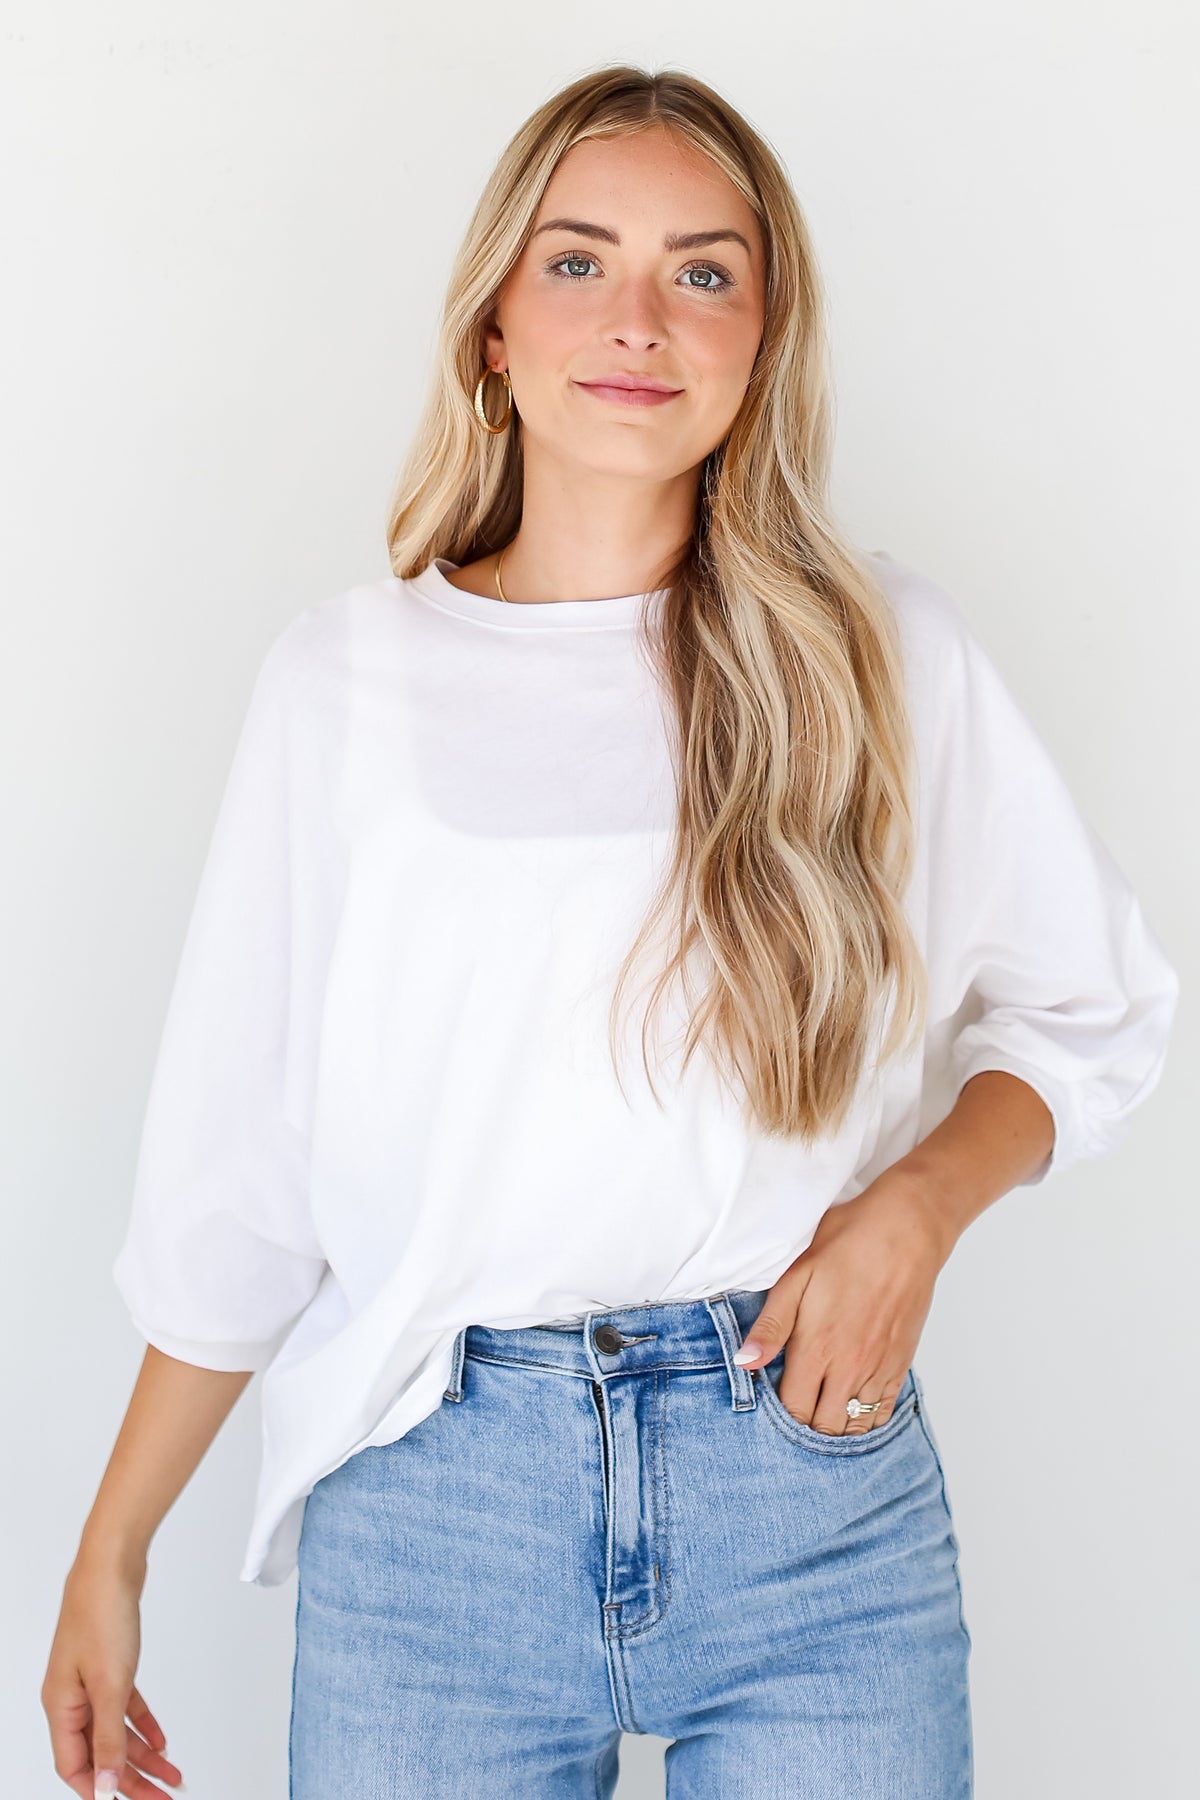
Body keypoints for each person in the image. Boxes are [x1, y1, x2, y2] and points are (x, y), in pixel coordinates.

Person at [43, 64, 1179, 1800]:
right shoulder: (344, 684)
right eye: (578, 262)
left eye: (703, 271)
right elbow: (241, 1178)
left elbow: (1087, 1011)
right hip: (437, 1515)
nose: (639, 318)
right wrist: (111, 1547)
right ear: (493, 327)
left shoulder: (880, 658)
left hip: (805, 1481)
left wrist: (918, 1211)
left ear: (763, 338)